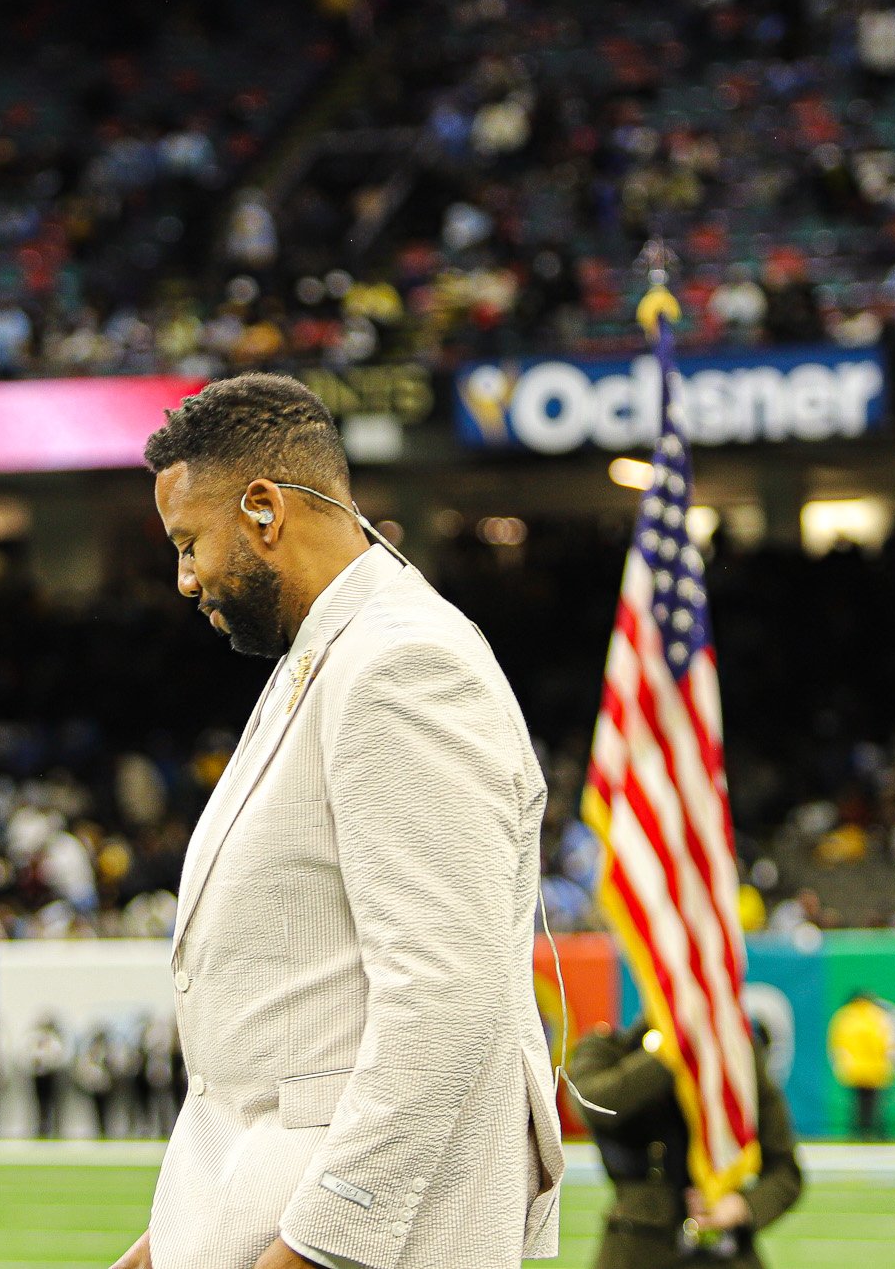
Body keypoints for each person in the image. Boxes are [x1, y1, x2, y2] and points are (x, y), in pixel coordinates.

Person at [115, 374, 563, 1269]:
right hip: (260, 1214)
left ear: (264, 508)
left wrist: (320, 1244)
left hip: (359, 1243)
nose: (184, 577)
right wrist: (172, 1239)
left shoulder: (402, 663)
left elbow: (445, 993)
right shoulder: (327, 652)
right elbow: (299, 1016)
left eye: (189, 541)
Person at [566, 1017, 803, 1268]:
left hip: (723, 1255)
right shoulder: (612, 1048)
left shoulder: (739, 1053)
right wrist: (678, 1051)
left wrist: (742, 1206)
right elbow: (591, 1104)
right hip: (635, 1250)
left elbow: (785, 1172)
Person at [827, 991, 895, 1140]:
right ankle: (877, 1134)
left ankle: (858, 1134)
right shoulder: (877, 1015)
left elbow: (838, 1044)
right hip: (876, 1068)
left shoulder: (845, 1016)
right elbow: (887, 1043)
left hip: (856, 1069)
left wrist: (842, 1065)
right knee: (875, 1104)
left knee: (858, 1104)